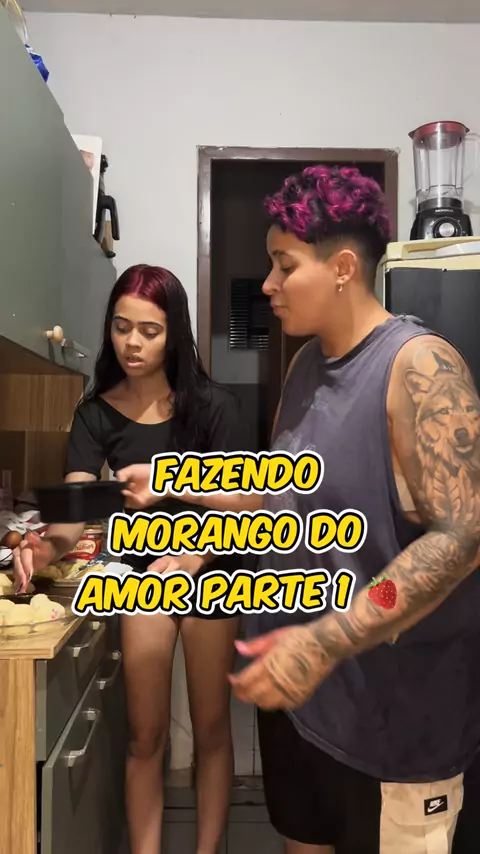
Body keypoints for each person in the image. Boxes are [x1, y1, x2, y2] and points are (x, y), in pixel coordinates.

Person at [118, 167, 480, 854]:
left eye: (284, 265)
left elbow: (461, 539)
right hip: (304, 707)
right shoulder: (306, 365)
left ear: (342, 268)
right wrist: (173, 481)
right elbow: (285, 491)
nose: (268, 285)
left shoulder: (420, 367)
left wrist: (325, 640)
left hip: (394, 726)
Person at [13, 264, 241, 854]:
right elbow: (74, 510)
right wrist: (45, 546)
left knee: (212, 729)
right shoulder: (95, 414)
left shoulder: (213, 406)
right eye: (121, 327)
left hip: (213, 573)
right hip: (143, 578)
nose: (132, 343)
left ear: (174, 334)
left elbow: (243, 501)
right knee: (145, 736)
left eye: (149, 330)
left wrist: (194, 554)